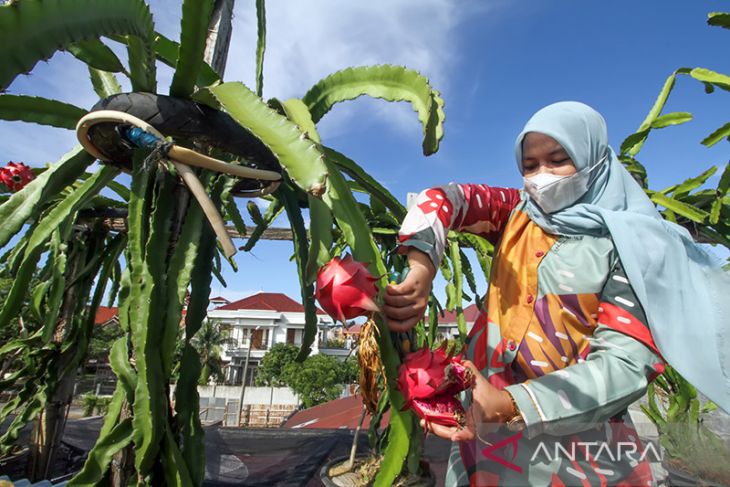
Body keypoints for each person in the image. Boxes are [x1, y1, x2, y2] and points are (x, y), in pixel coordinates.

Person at [383, 101, 730, 486]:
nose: (540, 177)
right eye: (529, 166)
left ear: (593, 161)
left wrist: (515, 404)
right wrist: (422, 264)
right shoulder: (517, 213)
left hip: (581, 455)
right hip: (483, 446)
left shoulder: (631, 245)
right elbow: (445, 199)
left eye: (558, 160)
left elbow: (626, 364)